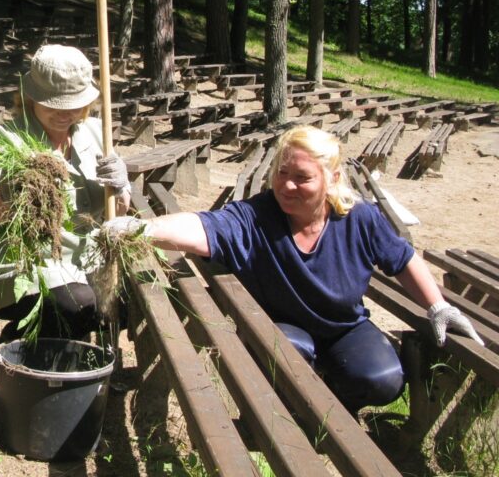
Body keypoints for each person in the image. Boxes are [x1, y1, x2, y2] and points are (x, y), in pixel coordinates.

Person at [103, 125, 484, 411]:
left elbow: (402, 260)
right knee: (289, 356)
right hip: (280, 329)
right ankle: (298, 413)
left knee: (382, 380)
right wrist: (141, 228)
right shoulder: (255, 216)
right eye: (282, 173)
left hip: (343, 328)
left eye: (302, 178)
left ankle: (331, 401)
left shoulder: (360, 219)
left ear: (332, 180)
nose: (287, 185)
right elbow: (201, 227)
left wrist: (438, 306)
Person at [0, 44, 133, 341]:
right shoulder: (9, 137)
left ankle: (49, 334)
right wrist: (11, 190)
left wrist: (121, 186)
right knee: (79, 306)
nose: (63, 114)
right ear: (31, 98)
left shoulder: (97, 132)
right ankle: (28, 340)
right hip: (21, 266)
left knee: (135, 299)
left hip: (84, 261)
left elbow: (117, 210)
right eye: (53, 104)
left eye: (71, 106)